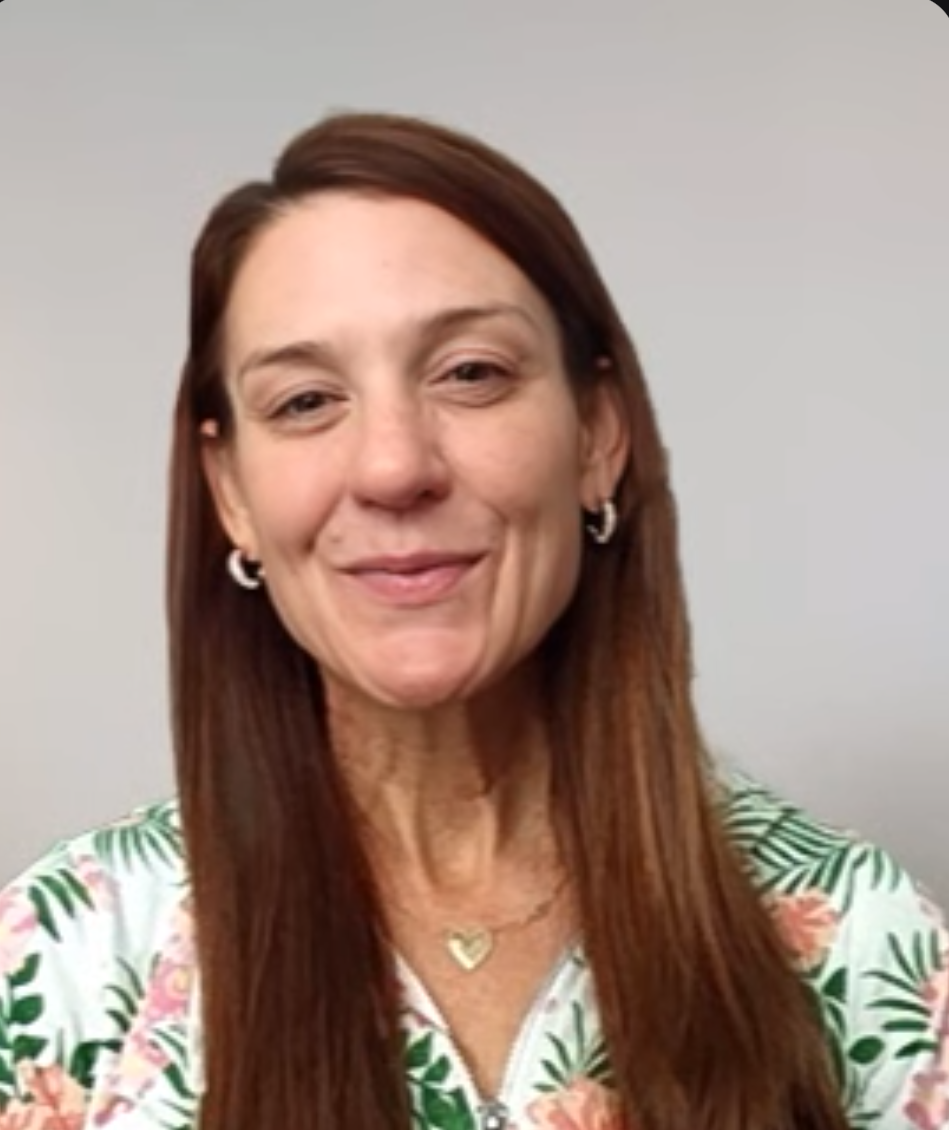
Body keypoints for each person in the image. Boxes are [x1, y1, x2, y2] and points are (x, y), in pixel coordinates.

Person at [0, 112, 945, 1130]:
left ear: (597, 434)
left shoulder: (853, 935)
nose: (393, 465)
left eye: (470, 374)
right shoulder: (64, 959)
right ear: (228, 488)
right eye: (308, 400)